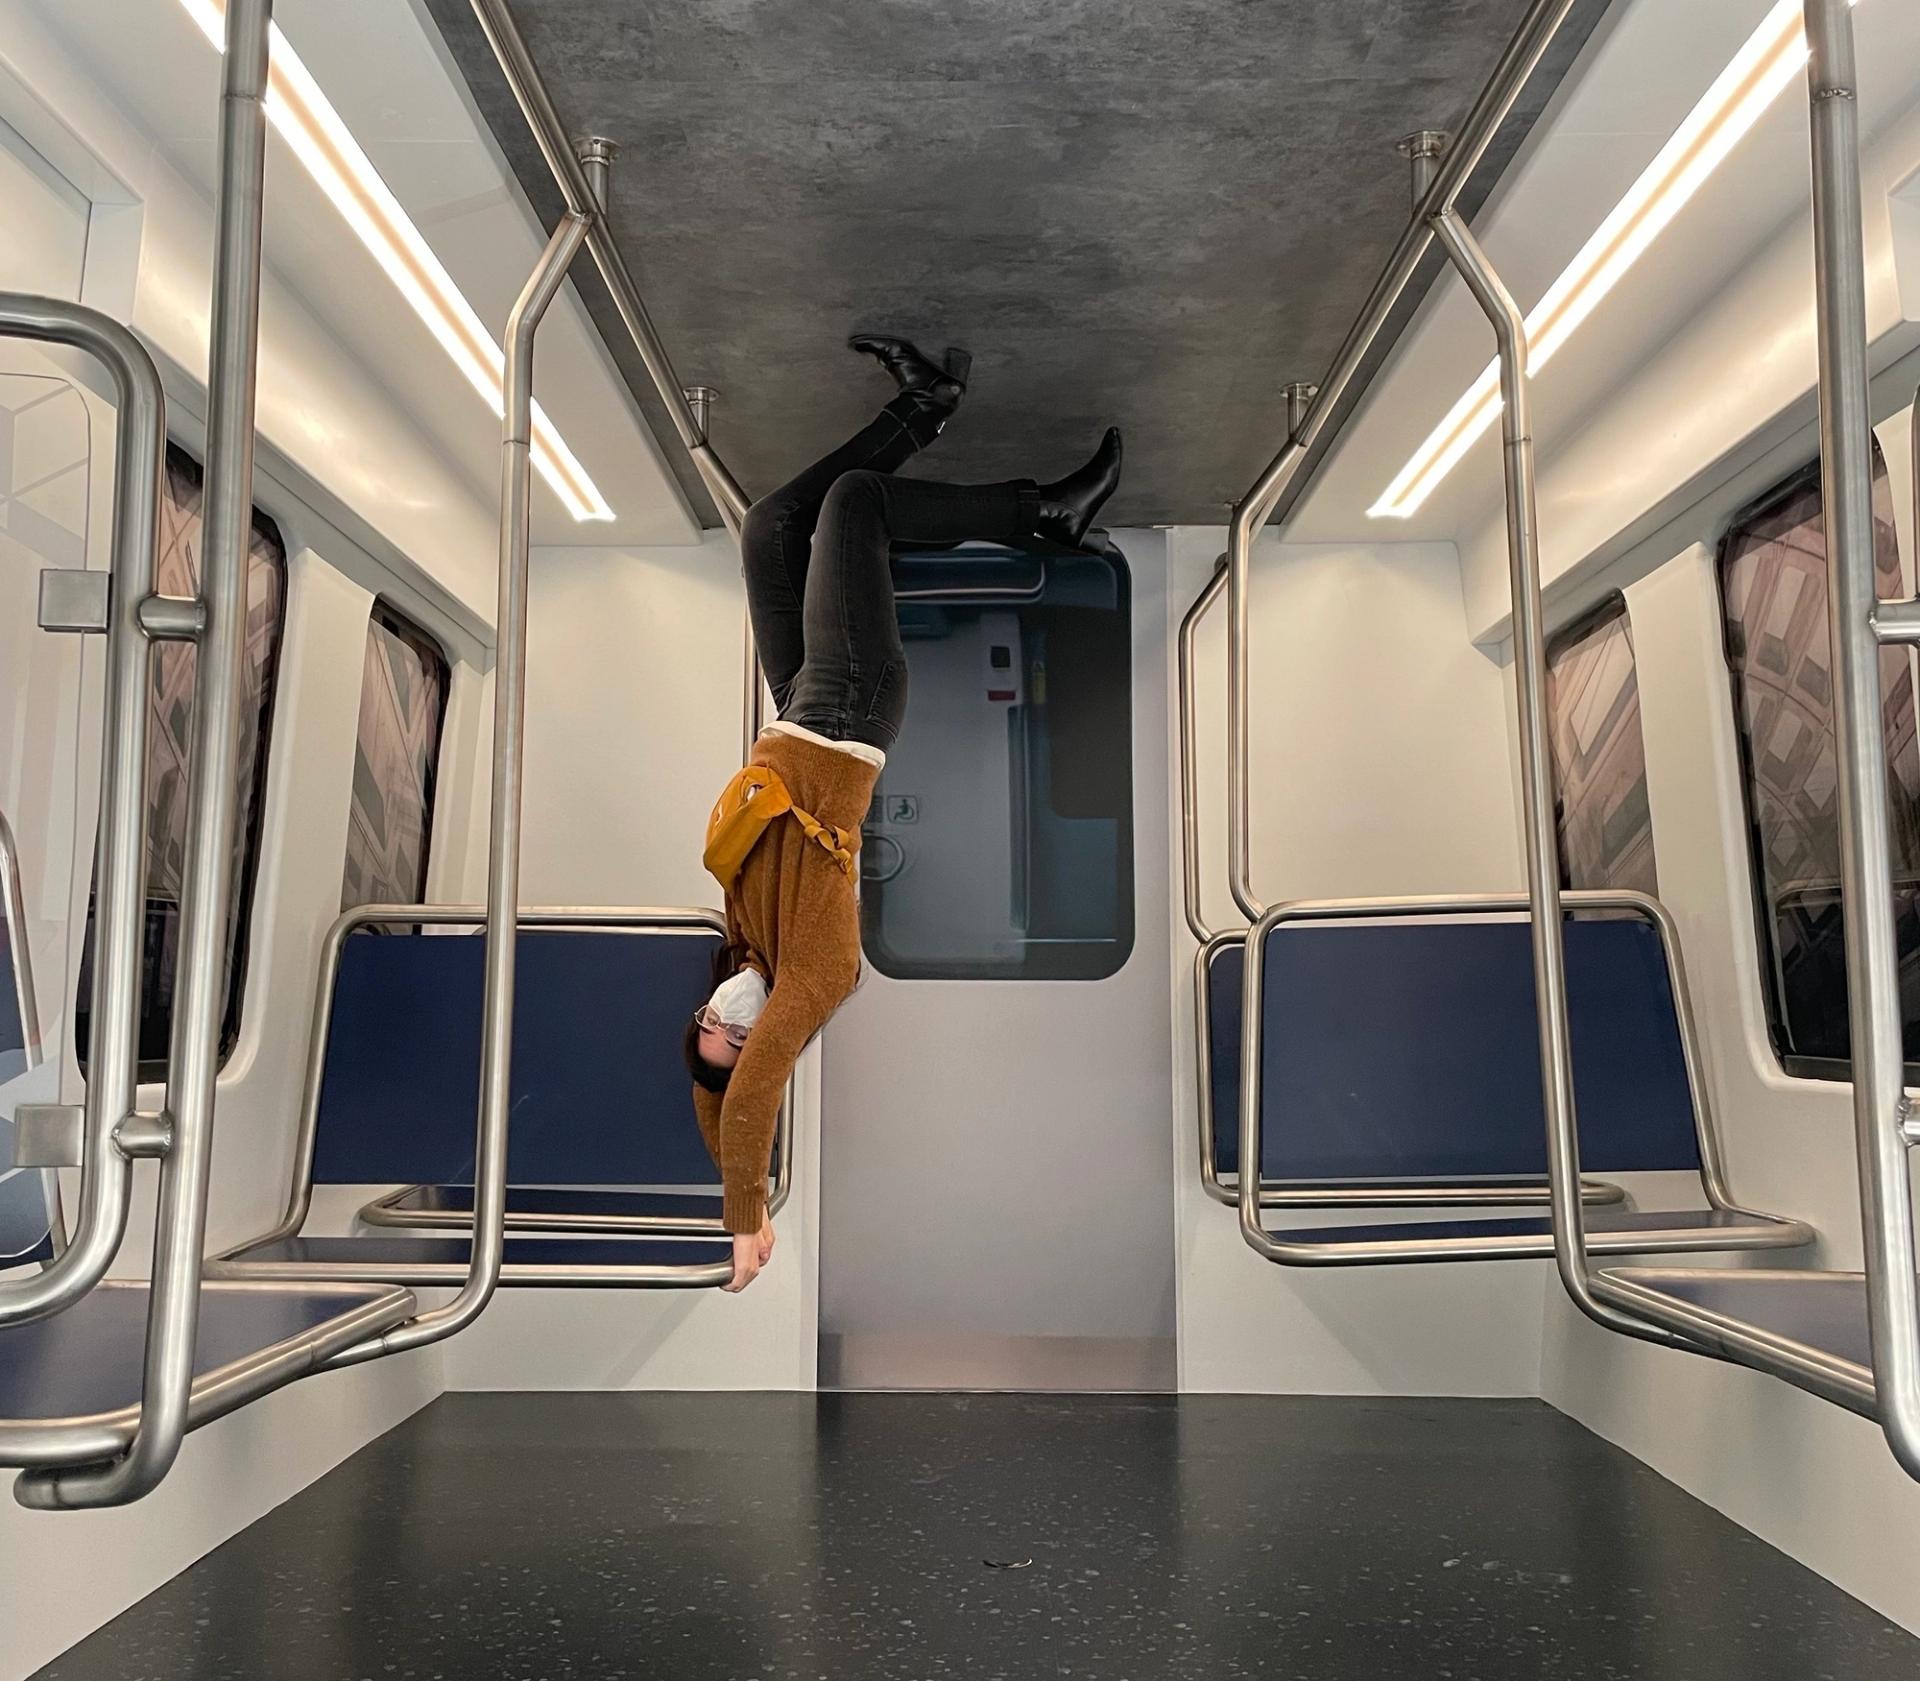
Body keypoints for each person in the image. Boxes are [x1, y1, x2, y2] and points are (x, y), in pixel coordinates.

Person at [684, 334, 1123, 1292]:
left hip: (794, 710)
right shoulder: (815, 971)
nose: (726, 1017)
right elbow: (749, 1097)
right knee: (856, 508)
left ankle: (924, 405)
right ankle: (1045, 513)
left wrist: (710, 1085)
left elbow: (716, 1094)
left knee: (768, 528)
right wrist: (743, 1213)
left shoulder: (745, 942)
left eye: (708, 1022)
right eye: (735, 1035)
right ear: (766, 1039)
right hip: (849, 710)